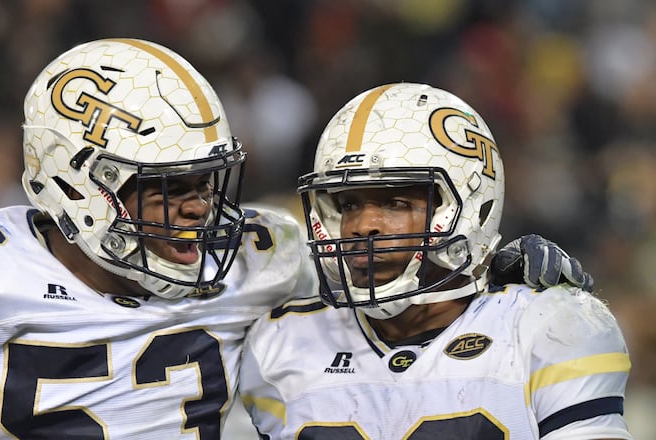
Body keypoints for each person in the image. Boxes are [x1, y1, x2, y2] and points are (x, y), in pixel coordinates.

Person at [0, 39, 593, 439]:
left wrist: (495, 264)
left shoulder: (261, 259)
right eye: (164, 188)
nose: (196, 212)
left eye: (206, 182)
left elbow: (392, 265)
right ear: (78, 185)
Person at [239, 83, 632, 439]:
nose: (363, 225)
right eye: (347, 204)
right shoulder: (275, 343)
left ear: (471, 209)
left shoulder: (546, 326)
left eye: (395, 202)